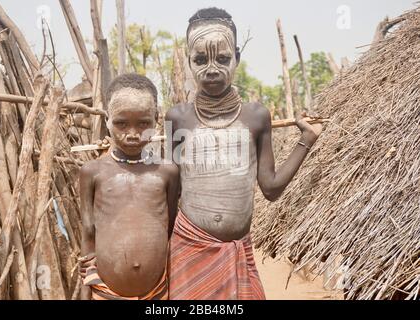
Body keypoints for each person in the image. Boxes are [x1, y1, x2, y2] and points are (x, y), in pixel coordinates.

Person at [165, 7, 323, 300]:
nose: (211, 69)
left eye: (222, 58)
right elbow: (170, 192)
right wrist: (164, 249)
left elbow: (271, 189)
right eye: (200, 59)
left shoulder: (255, 116)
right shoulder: (177, 118)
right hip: (188, 250)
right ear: (188, 61)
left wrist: (307, 140)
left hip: (238, 251)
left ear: (236, 57)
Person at [79, 74, 179, 300]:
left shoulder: (167, 172)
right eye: (121, 123)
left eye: (144, 123)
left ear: (157, 118)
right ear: (107, 119)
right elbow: (88, 232)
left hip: (159, 291)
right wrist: (86, 292)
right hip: (105, 292)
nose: (132, 134)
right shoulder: (92, 172)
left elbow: (171, 230)